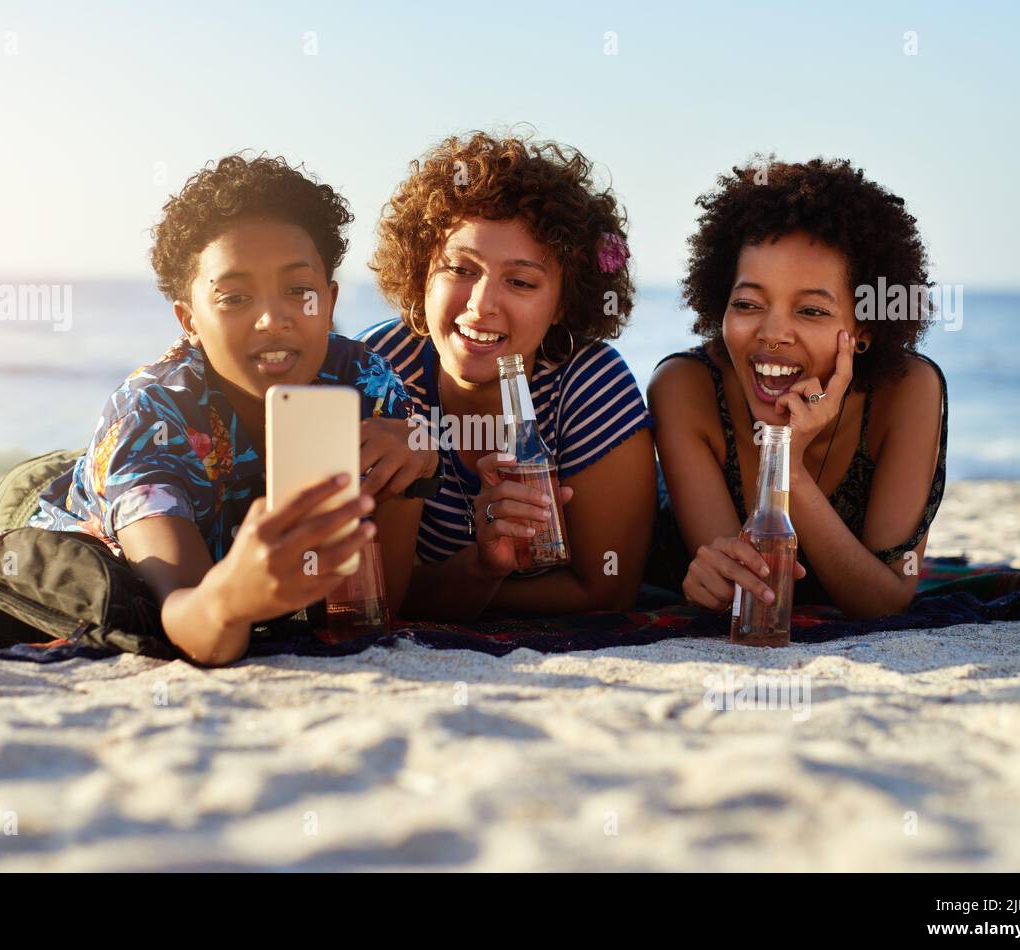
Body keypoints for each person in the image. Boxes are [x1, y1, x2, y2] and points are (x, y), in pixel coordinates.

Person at [0, 153, 434, 664]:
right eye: (235, 298)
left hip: (132, 477)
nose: (273, 319)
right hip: (62, 509)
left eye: (299, 290)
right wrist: (231, 600)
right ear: (189, 319)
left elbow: (383, 602)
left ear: (331, 300)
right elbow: (188, 621)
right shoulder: (147, 412)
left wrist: (414, 468)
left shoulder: (367, 383)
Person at [362, 131, 655, 618]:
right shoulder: (379, 368)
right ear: (421, 272)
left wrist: (442, 591)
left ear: (564, 302)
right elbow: (365, 594)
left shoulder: (588, 386)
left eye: (519, 281)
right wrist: (481, 568)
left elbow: (607, 593)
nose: (481, 306)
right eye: (459, 269)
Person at [648, 157, 948, 618]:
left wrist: (789, 467)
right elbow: (753, 588)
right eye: (747, 303)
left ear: (863, 329)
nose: (772, 332)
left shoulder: (909, 393)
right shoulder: (685, 390)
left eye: (811, 311)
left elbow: (885, 601)